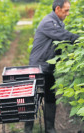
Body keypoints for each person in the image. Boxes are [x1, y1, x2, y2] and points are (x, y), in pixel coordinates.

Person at [25, 0, 79, 133]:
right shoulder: (49, 22)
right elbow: (64, 36)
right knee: (32, 98)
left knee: (49, 96)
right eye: (66, 10)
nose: (68, 13)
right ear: (58, 9)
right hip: (38, 66)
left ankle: (50, 129)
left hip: (47, 65)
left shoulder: (58, 22)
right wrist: (80, 38)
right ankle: (28, 129)